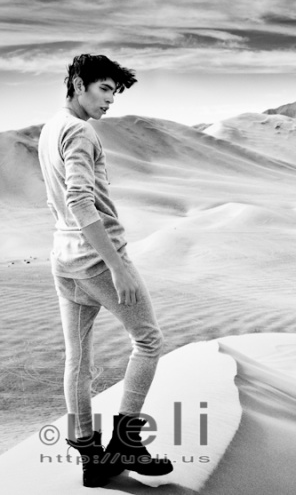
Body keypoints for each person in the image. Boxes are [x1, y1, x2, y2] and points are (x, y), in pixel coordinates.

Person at [38, 54, 173, 487]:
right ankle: (128, 443)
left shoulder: (50, 127)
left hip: (64, 257)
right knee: (149, 340)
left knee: (78, 358)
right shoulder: (79, 130)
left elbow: (55, 201)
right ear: (78, 83)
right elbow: (79, 200)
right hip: (97, 259)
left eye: (115, 92)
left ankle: (92, 459)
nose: (111, 100)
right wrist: (117, 266)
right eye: (105, 89)